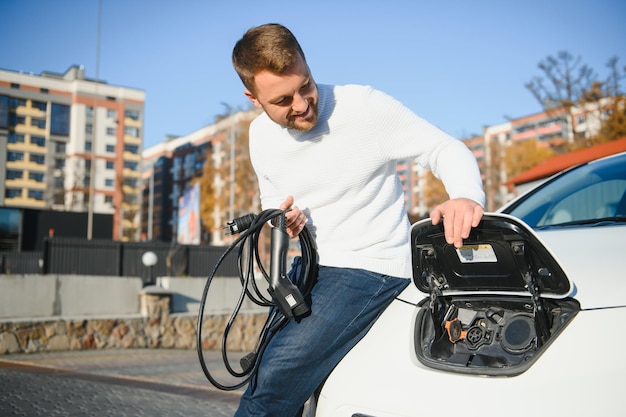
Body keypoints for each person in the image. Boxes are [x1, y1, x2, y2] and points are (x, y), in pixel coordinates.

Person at [231, 23, 485, 416]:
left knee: (272, 383)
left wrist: (465, 195)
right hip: (308, 269)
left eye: (306, 85)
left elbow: (443, 148)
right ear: (253, 98)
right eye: (283, 99)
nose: (301, 104)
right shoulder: (259, 136)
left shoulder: (362, 106)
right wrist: (285, 219)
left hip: (369, 266)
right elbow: (273, 203)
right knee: (275, 380)